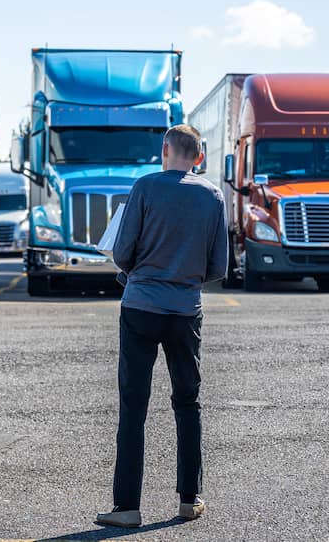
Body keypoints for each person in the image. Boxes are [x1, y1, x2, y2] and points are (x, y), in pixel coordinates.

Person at [95, 124, 228, 528]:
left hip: (140, 308)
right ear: (199, 156)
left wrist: (139, 269)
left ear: (165, 149)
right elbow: (218, 266)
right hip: (186, 311)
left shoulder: (145, 187)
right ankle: (190, 499)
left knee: (134, 406)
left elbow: (122, 252)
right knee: (188, 403)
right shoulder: (213, 195)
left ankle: (127, 507)